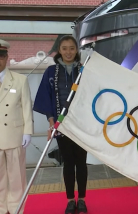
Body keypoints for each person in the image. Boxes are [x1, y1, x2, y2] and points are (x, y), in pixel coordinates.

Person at [33, 35, 88, 214]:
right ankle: (70, 200)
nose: (68, 52)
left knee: (81, 163)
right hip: (61, 125)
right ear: (59, 51)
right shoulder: (51, 71)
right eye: (64, 48)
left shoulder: (84, 70)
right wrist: (51, 122)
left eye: (72, 48)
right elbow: (46, 98)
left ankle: (82, 199)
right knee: (68, 163)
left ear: (77, 50)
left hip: (82, 125)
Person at [0, 39, 33, 214]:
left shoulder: (20, 80)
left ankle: (16, 209)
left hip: (15, 135)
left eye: (1, 55)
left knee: (16, 179)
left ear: (7, 57)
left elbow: (27, 107)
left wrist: (28, 131)